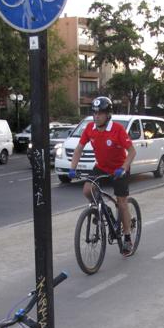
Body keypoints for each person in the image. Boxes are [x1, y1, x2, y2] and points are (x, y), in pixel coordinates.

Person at [68, 97, 137, 256]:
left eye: (100, 113)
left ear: (108, 115)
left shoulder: (117, 129)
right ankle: (103, 209)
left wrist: (123, 168)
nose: (96, 116)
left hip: (119, 168)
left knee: (122, 203)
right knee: (87, 190)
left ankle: (127, 237)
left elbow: (132, 151)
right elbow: (78, 149)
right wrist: (73, 169)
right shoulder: (90, 128)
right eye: (94, 113)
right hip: (101, 167)